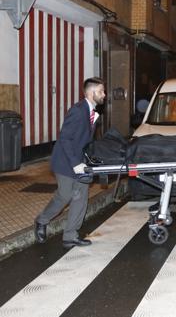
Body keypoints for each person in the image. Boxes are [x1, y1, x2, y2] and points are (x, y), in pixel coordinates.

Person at [34, 77, 106, 248]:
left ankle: (70, 236)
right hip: (66, 162)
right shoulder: (78, 110)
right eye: (101, 91)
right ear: (91, 92)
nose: (104, 95)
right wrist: (75, 163)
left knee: (80, 198)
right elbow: (65, 138)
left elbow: (85, 141)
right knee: (64, 195)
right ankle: (41, 220)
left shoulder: (92, 112)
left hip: (80, 161)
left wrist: (90, 160)